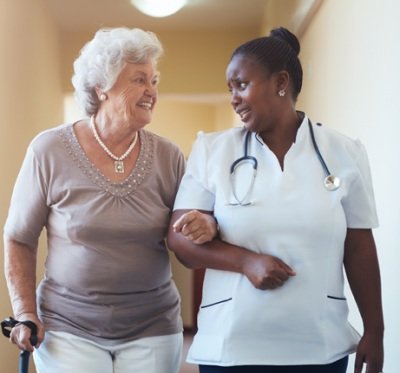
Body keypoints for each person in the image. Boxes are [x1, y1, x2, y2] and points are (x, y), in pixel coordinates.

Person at [167, 27, 384, 373]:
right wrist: (245, 262)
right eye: (230, 89)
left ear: (281, 82)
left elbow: (358, 246)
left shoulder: (344, 153)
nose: (233, 98)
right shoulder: (213, 150)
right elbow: (179, 240)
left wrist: (376, 329)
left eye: (241, 85)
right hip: (232, 344)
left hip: (318, 345)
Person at [3, 27, 217, 373]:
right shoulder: (49, 150)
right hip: (68, 326)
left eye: (154, 80)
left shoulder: (168, 156)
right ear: (101, 86)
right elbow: (18, 237)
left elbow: (188, 231)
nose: (151, 91)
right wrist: (26, 310)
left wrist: (206, 224)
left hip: (152, 325)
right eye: (139, 79)